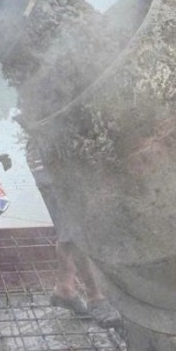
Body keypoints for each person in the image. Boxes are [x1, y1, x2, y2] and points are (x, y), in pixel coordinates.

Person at [26, 139, 121, 328]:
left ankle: (65, 288)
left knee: (69, 228)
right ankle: (95, 296)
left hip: (54, 152)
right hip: (54, 154)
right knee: (78, 229)